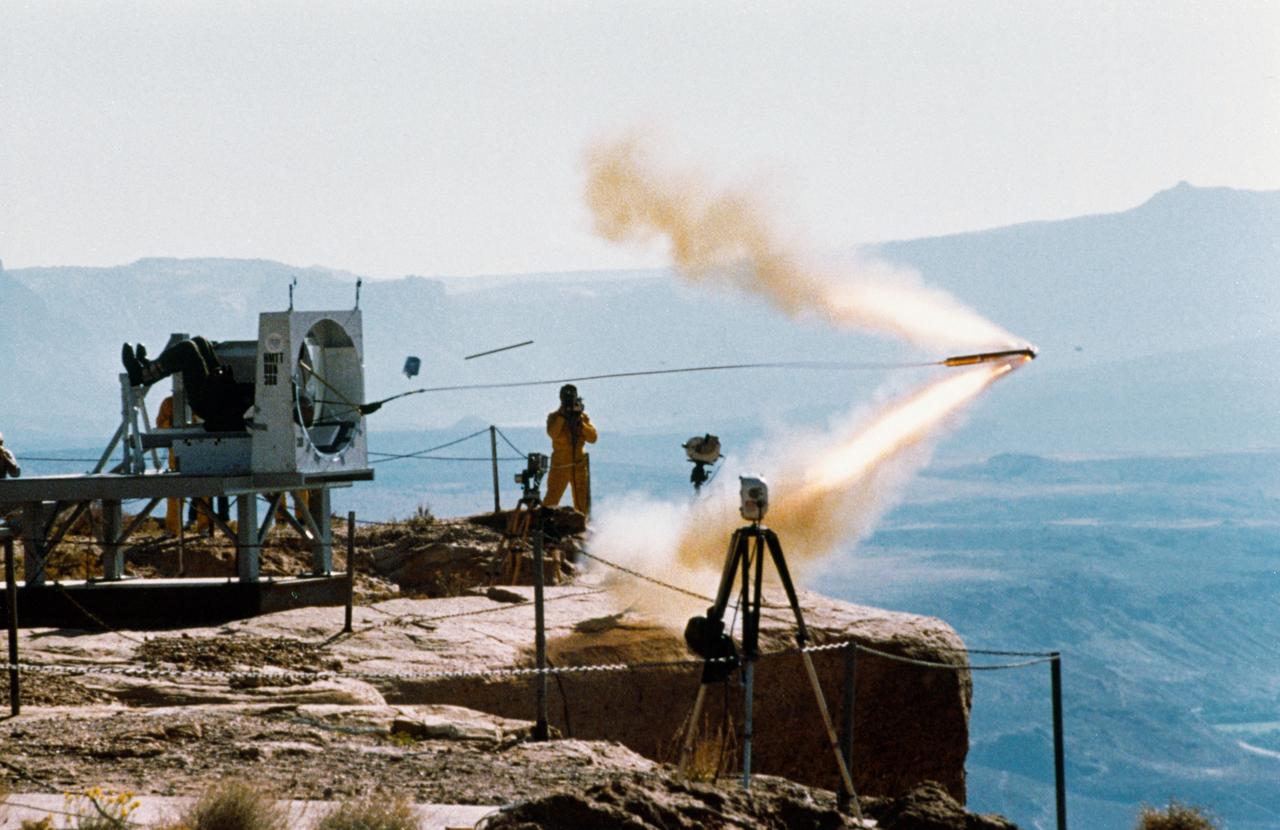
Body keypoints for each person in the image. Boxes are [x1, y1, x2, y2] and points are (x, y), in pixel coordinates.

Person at [122, 338, 254, 432]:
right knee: (200, 342)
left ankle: (144, 374)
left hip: (215, 408)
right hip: (223, 401)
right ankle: (149, 370)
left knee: (187, 349)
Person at [544, 384, 597, 514]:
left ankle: (582, 525)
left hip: (578, 464)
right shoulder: (554, 417)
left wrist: (580, 422)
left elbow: (593, 438)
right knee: (552, 497)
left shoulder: (583, 417)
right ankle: (544, 524)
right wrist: (563, 417)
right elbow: (553, 434)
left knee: (581, 500)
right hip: (560, 465)